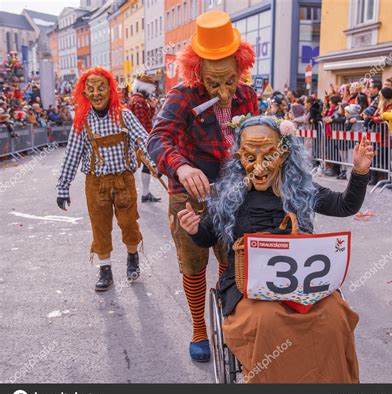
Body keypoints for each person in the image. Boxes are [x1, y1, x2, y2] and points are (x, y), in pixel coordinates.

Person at [177, 115, 374, 383]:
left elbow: (345, 206)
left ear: (284, 154)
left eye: (268, 157)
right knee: (268, 321)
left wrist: (360, 171)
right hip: (247, 285)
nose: (259, 166)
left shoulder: (301, 189)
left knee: (333, 316)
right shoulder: (231, 194)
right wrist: (193, 228)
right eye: (249, 157)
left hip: (301, 283)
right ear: (239, 156)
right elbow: (206, 236)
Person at [147, 11, 258, 362]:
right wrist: (180, 166)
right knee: (193, 263)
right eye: (215, 84)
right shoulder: (181, 95)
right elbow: (157, 139)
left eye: (230, 81)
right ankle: (198, 327)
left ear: (240, 67)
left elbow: (260, 136)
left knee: (234, 259)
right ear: (198, 72)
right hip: (190, 192)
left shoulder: (248, 96)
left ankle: (227, 320)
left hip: (234, 190)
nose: (224, 92)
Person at [56, 66, 158, 292]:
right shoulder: (82, 122)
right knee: (100, 227)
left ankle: (133, 258)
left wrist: (157, 165)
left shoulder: (124, 115)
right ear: (84, 93)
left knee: (129, 224)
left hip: (124, 181)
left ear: (110, 90)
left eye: (100, 87)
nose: (96, 93)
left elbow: (144, 140)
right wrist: (63, 187)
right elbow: (72, 154)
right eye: (90, 89)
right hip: (96, 184)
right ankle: (105, 270)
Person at [129, 74, 162, 203]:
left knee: (146, 166)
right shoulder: (139, 101)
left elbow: (147, 119)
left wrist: (152, 107)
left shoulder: (138, 100)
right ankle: (145, 193)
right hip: (141, 140)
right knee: (146, 165)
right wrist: (146, 140)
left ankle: (145, 193)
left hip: (141, 139)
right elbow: (141, 124)